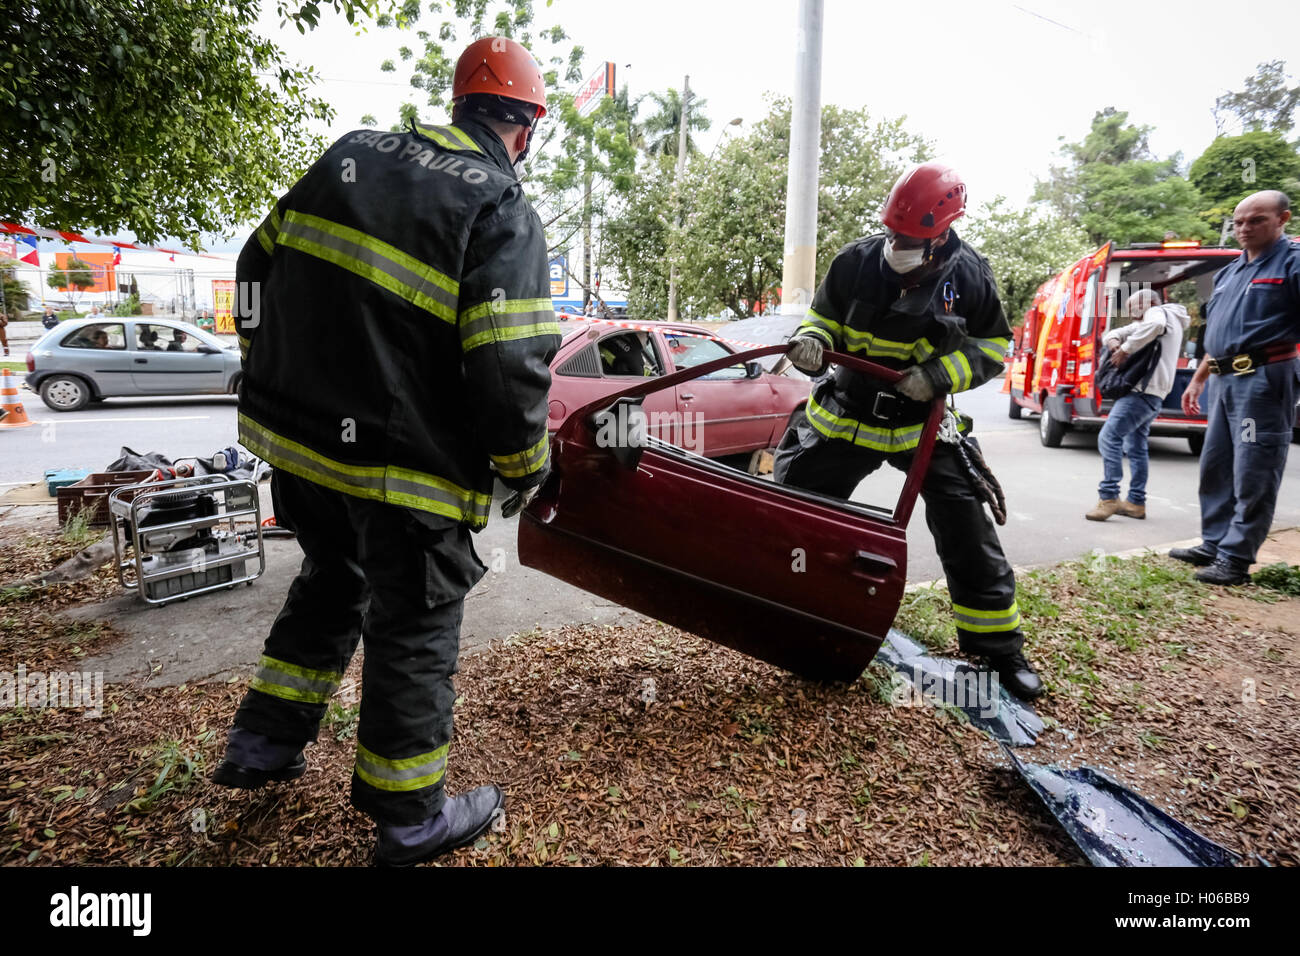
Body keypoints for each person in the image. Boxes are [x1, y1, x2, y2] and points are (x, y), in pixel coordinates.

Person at [213, 36, 559, 866]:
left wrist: (268, 363)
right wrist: (527, 469)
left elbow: (252, 265)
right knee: (413, 624)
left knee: (334, 576)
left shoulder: (351, 154)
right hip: (403, 471)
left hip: (296, 446)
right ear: (525, 129)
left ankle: (262, 744)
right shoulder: (500, 207)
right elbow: (509, 365)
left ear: (458, 106)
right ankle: (410, 822)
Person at [775, 162, 1043, 700]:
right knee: (797, 521)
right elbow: (821, 320)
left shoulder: (969, 278)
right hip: (844, 417)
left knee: (967, 527)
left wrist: (939, 377)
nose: (898, 246)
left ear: (941, 236)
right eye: (894, 234)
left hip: (922, 425)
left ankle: (998, 650)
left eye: (912, 239)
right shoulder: (854, 262)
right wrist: (808, 342)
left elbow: (992, 348)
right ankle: (792, 621)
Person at [1172, 190, 1300, 585]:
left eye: (1256, 220)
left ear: (1283, 219)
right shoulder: (1231, 271)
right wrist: (1198, 379)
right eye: (1240, 221)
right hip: (1224, 379)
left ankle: (1236, 557)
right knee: (1216, 465)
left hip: (1264, 378)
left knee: (1253, 469)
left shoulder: (1292, 263)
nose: (1245, 228)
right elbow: (1220, 333)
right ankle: (1214, 542)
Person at [1085, 289, 1187, 521]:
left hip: (1141, 393)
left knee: (1108, 438)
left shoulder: (1158, 314)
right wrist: (1113, 340)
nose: (1133, 317)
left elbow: (1154, 325)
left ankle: (1109, 497)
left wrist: (1124, 349)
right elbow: (1115, 332)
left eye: (1135, 311)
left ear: (1149, 303)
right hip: (1153, 395)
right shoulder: (1165, 318)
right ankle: (1135, 502)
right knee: (1136, 445)